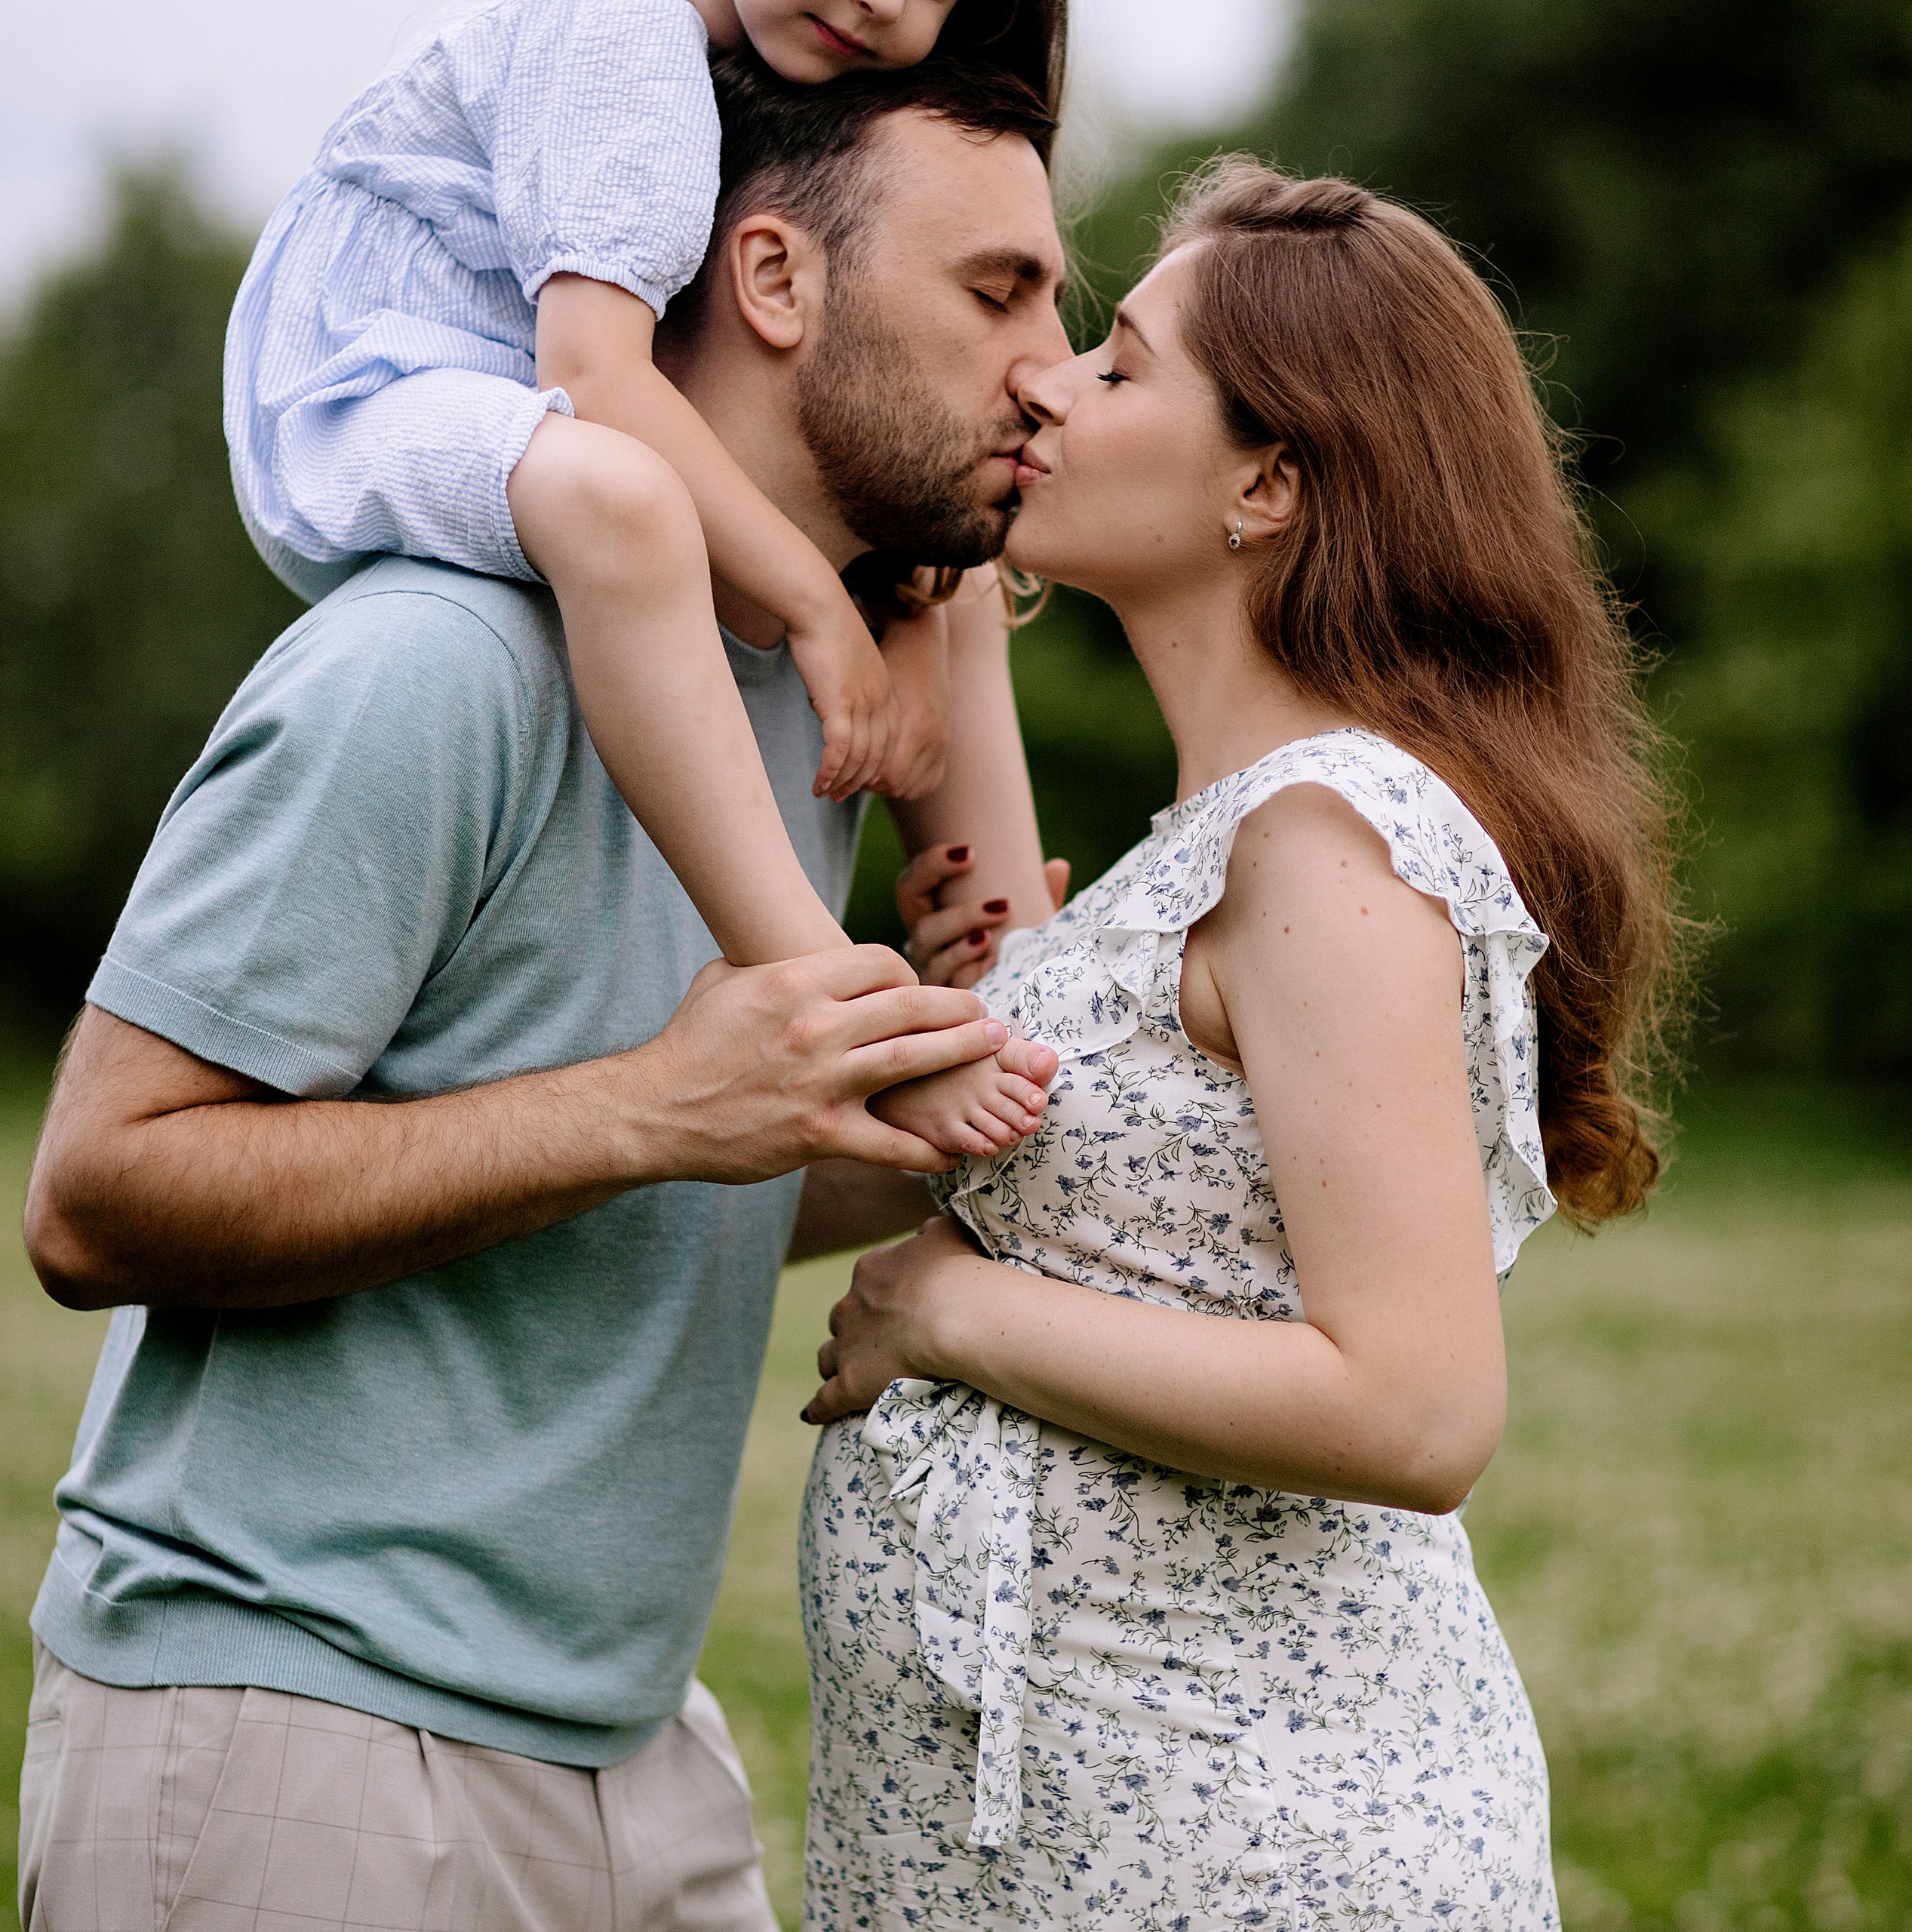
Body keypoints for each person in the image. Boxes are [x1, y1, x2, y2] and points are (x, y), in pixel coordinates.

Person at [19, 54, 1069, 1931]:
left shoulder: (805, 711)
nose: (1051, 368)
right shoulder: (431, 658)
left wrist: (918, 1115)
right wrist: (648, 1105)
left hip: (636, 1752)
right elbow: (96, 1194)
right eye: (1000, 293)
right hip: (296, 1737)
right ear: (772, 280)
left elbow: (693, 1158)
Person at [799, 162, 1686, 1926]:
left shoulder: (1326, 839)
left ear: (1268, 480)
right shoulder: (1212, 839)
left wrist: (947, 1310)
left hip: (1249, 1846)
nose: (1050, 381)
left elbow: (1414, 1401)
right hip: (1096, 1838)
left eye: (1117, 367)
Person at [225, 0, 1068, 1158]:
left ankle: (984, 1006)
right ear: (769, 275)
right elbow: (593, 377)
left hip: (500, 402)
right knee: (624, 503)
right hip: (359, 391)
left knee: (929, 583)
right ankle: (828, 992)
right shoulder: (621, 33)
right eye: (993, 292)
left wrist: (905, 614)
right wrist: (824, 608)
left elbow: (721, 1199)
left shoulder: (748, 63)